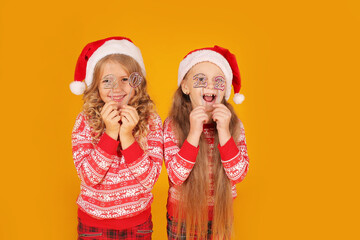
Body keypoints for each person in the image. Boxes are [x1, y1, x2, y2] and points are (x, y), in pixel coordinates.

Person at [70, 37, 163, 240]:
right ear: (95, 85)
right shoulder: (84, 121)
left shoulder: (151, 121)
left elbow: (149, 179)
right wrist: (111, 134)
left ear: (137, 82)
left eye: (125, 79)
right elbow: (89, 177)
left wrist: (127, 136)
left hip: (138, 223)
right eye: (107, 81)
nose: (117, 89)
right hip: (93, 224)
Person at [164, 45, 249, 239]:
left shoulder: (234, 125)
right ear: (185, 86)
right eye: (200, 79)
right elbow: (176, 176)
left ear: (226, 89)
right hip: (182, 218)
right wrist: (194, 133)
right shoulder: (172, 125)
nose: (210, 86)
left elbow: (238, 175)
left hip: (220, 217)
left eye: (218, 81)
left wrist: (224, 132)